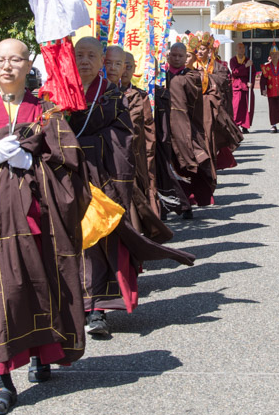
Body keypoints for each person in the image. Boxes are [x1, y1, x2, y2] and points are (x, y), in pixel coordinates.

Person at [0, 39, 90, 415]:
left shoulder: (46, 111)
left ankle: (42, 354)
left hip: (38, 212)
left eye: (15, 59)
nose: (6, 66)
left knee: (42, 282)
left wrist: (33, 161)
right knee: (1, 292)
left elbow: (70, 161)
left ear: (28, 65)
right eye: (0, 60)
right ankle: (3, 380)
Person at [70, 38, 195, 338]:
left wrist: (82, 145)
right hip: (64, 180)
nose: (84, 61)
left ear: (101, 62)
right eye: (79, 55)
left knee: (99, 242)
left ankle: (97, 309)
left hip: (100, 179)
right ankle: (71, 308)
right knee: (68, 243)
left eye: (91, 56)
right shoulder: (60, 94)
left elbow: (123, 141)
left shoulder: (112, 96)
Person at [107, 47, 171, 243]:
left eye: (128, 66)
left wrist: (147, 157)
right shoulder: (105, 94)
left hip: (133, 153)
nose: (123, 71)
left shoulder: (138, 96)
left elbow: (147, 130)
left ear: (134, 69)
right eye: (119, 65)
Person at [160, 41, 215, 208]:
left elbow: (194, 100)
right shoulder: (160, 77)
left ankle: (188, 203)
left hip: (184, 126)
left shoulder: (191, 76)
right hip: (163, 126)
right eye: (173, 55)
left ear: (187, 58)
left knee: (187, 163)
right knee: (166, 164)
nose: (176, 58)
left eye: (180, 56)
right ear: (168, 56)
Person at [193, 34, 240, 170]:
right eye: (198, 49)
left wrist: (204, 75)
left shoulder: (219, 66)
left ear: (209, 51)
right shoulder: (192, 66)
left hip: (213, 107)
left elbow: (223, 81)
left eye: (203, 49)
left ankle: (211, 163)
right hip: (196, 107)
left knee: (212, 137)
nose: (200, 52)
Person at [259, 46, 279, 132]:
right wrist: (263, 89)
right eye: (273, 54)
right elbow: (263, 80)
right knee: (273, 108)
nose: (274, 56)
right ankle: (273, 125)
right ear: (270, 56)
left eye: (276, 54)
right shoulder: (266, 67)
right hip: (271, 91)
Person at [229, 41, 255, 131]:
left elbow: (253, 73)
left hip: (246, 86)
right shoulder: (233, 60)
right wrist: (245, 66)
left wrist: (251, 82)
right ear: (236, 49)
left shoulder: (248, 60)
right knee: (236, 107)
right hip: (237, 85)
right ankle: (235, 125)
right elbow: (235, 72)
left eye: (243, 48)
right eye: (239, 48)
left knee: (247, 107)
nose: (241, 49)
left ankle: (245, 126)